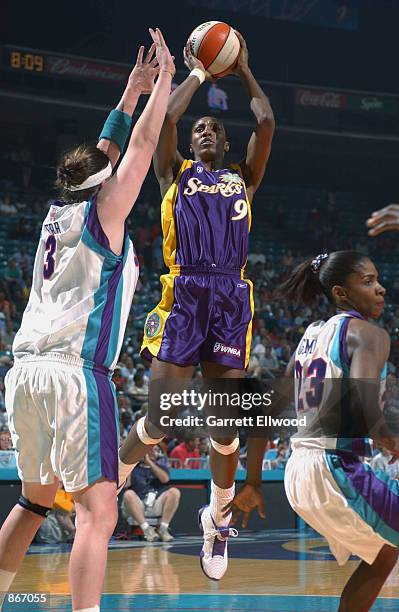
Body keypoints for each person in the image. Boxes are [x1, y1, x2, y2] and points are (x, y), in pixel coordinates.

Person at [0, 29, 174, 612]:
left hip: (24, 371)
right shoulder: (105, 214)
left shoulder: (60, 209)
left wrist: (131, 88)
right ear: (108, 182)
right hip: (76, 373)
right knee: (98, 511)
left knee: (33, 500)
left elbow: (107, 150)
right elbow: (142, 147)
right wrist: (166, 84)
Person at [118, 30, 274, 581]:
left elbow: (266, 122)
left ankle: (217, 517)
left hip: (230, 295)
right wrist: (201, 75)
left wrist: (245, 69)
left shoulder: (243, 181)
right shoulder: (173, 172)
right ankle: (112, 473)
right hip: (184, 291)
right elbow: (163, 121)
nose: (204, 130)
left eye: (213, 129)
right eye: (199, 128)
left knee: (227, 425)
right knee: (161, 415)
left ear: (225, 146)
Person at [227, 250, 399, 611]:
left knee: (383, 555)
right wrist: (385, 435)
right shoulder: (369, 334)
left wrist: (254, 482)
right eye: (368, 282)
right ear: (340, 293)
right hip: (335, 467)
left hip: (298, 474)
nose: (381, 289)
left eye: (379, 280)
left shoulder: (311, 336)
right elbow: (368, 406)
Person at [122, 445, 180, 542]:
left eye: (156, 450)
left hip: (155, 503)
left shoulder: (160, 466)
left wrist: (149, 462)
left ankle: (163, 528)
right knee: (128, 494)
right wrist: (130, 465)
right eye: (151, 450)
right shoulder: (134, 467)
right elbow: (126, 485)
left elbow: (165, 479)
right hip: (138, 504)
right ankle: (146, 529)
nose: (154, 452)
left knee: (175, 492)